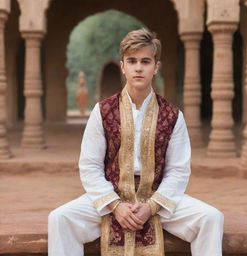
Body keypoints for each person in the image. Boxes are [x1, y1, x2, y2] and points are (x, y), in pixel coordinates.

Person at [48, 28, 224, 256]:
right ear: (123, 66)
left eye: (145, 61)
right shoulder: (102, 111)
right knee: (60, 219)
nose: (138, 67)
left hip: (159, 197)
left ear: (155, 67)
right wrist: (115, 205)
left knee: (211, 218)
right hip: (111, 194)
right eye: (132, 61)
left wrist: (152, 206)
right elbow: (90, 166)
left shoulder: (172, 115)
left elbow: (178, 170)